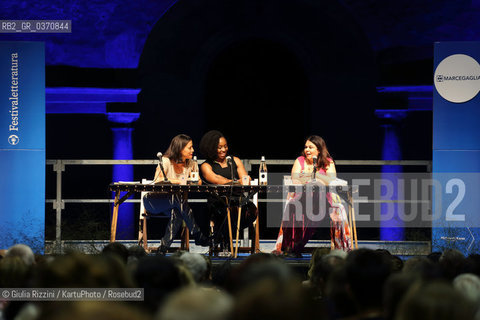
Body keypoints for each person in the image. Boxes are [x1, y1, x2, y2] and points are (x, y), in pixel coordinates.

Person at [274, 135, 352, 257]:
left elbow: (331, 180)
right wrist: (317, 177)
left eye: (311, 147)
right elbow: (295, 180)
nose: (307, 150)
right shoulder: (300, 160)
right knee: (296, 207)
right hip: (301, 200)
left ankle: (296, 248)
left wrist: (312, 176)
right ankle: (292, 247)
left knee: (315, 201)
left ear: (319, 150)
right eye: (306, 147)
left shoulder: (328, 162)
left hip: (323, 202)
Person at [143, 134, 209, 254]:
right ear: (179, 148)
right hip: (154, 201)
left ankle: (163, 247)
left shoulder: (191, 163)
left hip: (175, 204)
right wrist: (180, 181)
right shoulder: (165, 160)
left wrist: (193, 180)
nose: (193, 150)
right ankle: (197, 234)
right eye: (189, 148)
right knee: (178, 200)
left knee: (178, 212)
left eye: (192, 147)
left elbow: (198, 181)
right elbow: (158, 180)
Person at [199, 130, 257, 255]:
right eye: (219, 147)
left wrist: (244, 180)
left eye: (225, 146)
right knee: (227, 211)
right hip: (218, 203)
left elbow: (245, 178)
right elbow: (217, 180)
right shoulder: (206, 166)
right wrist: (236, 182)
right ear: (211, 148)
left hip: (238, 201)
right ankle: (226, 243)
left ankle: (219, 237)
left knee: (252, 211)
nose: (223, 150)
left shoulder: (234, 160)